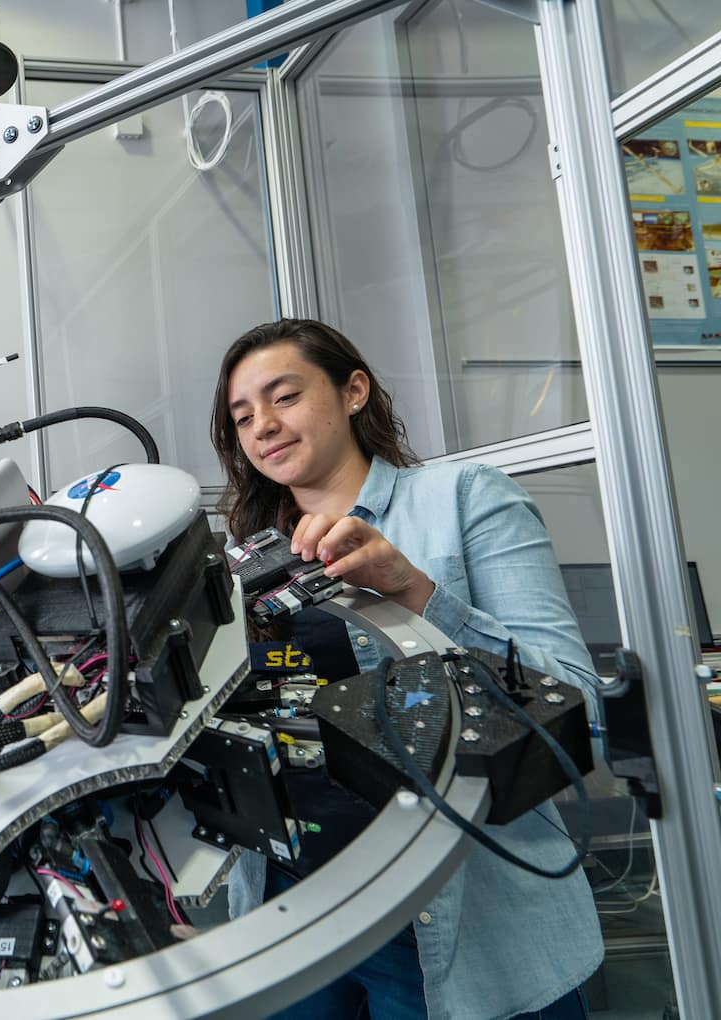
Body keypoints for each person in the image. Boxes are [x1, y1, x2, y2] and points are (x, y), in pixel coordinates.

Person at [212, 318, 603, 1020]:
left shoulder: (464, 500)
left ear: (353, 390)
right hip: (290, 911)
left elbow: (579, 707)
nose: (263, 426)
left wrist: (415, 591)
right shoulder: (237, 566)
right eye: (242, 417)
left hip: (461, 918)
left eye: (284, 397)